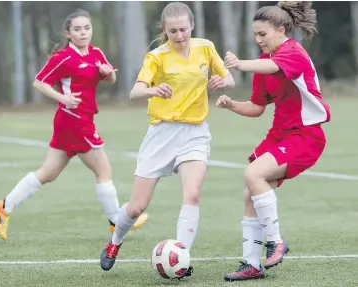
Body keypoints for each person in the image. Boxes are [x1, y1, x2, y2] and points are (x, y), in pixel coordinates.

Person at [99, 1, 235, 278]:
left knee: (193, 193)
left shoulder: (205, 47)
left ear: (192, 26)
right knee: (137, 206)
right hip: (162, 134)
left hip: (195, 133)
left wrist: (224, 82)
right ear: (165, 30)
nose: (179, 35)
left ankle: (181, 256)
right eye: (172, 31)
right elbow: (134, 93)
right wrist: (153, 90)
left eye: (183, 29)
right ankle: (115, 242)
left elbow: (228, 78)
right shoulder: (157, 56)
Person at [0, 9, 148, 241]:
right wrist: (63, 99)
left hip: (77, 120)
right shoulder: (63, 57)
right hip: (75, 121)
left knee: (48, 173)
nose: (83, 33)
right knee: (103, 170)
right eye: (77, 29)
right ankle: (117, 221)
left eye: (87, 28)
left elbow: (111, 77)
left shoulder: (96, 53)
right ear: (69, 33)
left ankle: (4, 207)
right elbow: (39, 83)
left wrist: (106, 73)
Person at [216, 1, 331, 282]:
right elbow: (257, 107)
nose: (258, 39)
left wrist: (240, 64)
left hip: (305, 135)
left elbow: (272, 66)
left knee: (253, 173)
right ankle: (252, 264)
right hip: (280, 133)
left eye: (263, 34)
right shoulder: (263, 62)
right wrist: (232, 104)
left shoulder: (292, 52)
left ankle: (276, 241)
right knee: (251, 192)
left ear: (281, 30)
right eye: (255, 35)